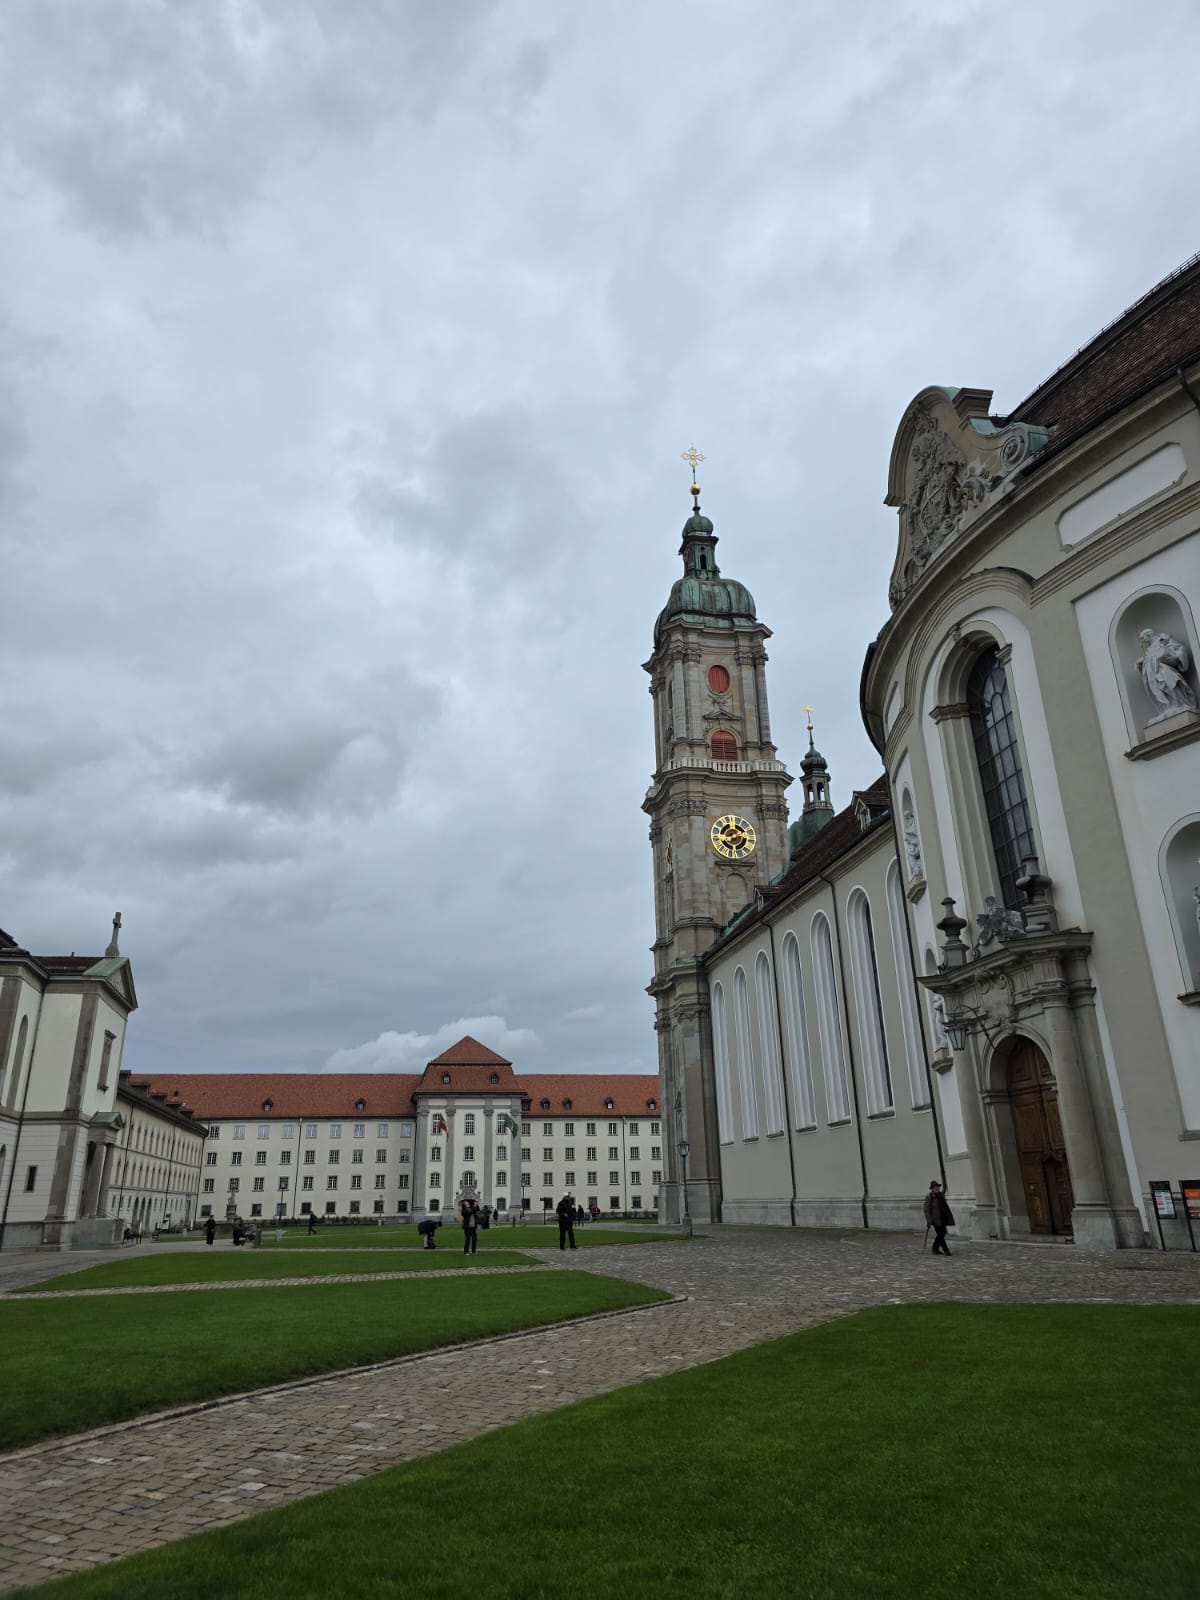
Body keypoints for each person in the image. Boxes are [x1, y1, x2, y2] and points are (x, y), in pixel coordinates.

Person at [923, 1181, 955, 1256]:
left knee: (943, 1233)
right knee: (940, 1234)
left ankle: (935, 1248)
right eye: (935, 1187)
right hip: (935, 1219)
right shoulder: (929, 1196)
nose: (936, 1188)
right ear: (932, 1189)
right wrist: (929, 1220)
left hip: (943, 1217)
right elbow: (926, 1209)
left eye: (937, 1186)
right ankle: (946, 1250)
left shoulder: (941, 1195)